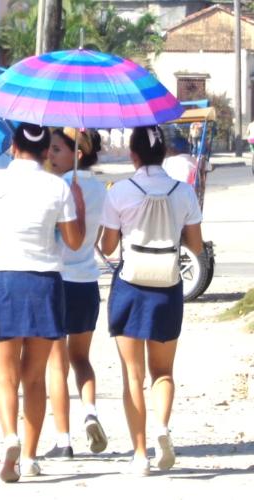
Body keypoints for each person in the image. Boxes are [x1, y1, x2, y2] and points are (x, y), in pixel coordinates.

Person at [0, 123, 85, 482]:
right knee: (35, 377)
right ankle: (28, 456)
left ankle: (10, 436)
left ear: (14, 146)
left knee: (5, 374)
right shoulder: (58, 186)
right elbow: (74, 242)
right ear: (45, 152)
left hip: (4, 279)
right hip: (44, 282)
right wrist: (78, 205)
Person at [100, 125, 203, 476]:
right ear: (165, 153)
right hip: (167, 284)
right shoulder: (183, 192)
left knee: (133, 374)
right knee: (163, 372)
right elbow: (196, 246)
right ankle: (162, 427)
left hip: (131, 285)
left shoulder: (120, 191)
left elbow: (109, 247)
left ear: (133, 154)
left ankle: (140, 454)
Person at [45, 128, 108, 460]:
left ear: (77, 154)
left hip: (58, 280)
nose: (50, 154)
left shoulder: (58, 188)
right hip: (86, 282)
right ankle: (90, 412)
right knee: (81, 359)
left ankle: (63, 439)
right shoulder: (101, 190)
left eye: (57, 149)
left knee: (57, 364)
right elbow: (100, 238)